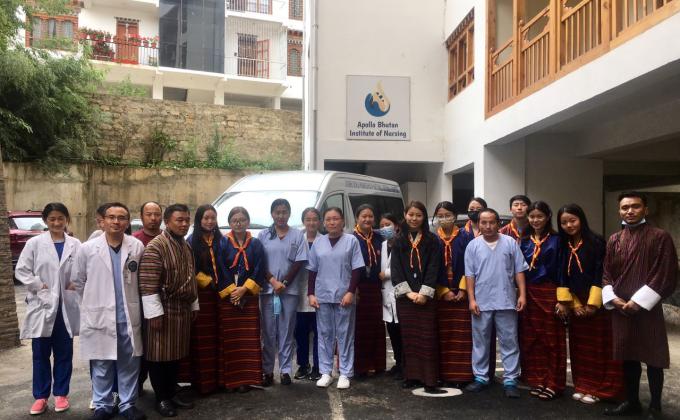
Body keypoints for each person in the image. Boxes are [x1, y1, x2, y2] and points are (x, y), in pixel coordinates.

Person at [602, 192, 678, 419]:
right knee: (628, 356)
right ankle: (632, 402)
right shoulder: (614, 239)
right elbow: (606, 273)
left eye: (635, 206)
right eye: (625, 207)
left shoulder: (660, 237)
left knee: (654, 357)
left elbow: (665, 273)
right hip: (620, 308)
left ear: (646, 209)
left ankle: (655, 407)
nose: (630, 211)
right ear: (619, 211)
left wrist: (638, 301)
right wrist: (613, 299)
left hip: (647, 308)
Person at [72, 203, 146, 420]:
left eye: (121, 217)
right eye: (111, 217)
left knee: (129, 363)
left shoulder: (136, 246)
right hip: (100, 315)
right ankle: (102, 405)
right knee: (101, 363)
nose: (116, 221)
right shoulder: (87, 249)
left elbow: (140, 280)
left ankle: (127, 405)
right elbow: (78, 281)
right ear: (101, 221)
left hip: (128, 315)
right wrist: (94, 302)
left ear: (127, 222)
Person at [15, 203, 81, 416]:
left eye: (60, 218)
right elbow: (22, 270)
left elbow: (83, 269)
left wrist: (76, 283)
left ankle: (61, 394)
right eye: (52, 218)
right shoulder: (34, 243)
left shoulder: (75, 244)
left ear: (66, 219)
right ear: (45, 220)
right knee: (40, 354)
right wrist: (38, 285)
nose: (56, 222)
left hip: (66, 308)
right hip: (42, 306)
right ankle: (41, 396)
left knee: (64, 353)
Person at [555, 204, 623, 404]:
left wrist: (593, 304)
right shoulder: (563, 244)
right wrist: (574, 304)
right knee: (580, 348)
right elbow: (561, 275)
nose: (569, 225)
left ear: (581, 219)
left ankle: (600, 389)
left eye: (572, 220)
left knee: (599, 347)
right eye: (564, 222)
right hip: (575, 302)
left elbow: (601, 273)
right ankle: (583, 385)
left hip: (597, 303)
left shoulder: (596, 242)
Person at [139, 204, 199, 418]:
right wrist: (154, 314)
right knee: (158, 356)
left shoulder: (185, 245)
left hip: (182, 309)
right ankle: (161, 398)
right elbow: (148, 283)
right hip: (162, 310)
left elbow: (191, 279)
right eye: (179, 220)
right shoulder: (156, 246)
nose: (184, 224)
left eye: (187, 220)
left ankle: (171, 393)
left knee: (176, 355)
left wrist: (194, 305)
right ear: (167, 222)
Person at [464, 208, 527, 398]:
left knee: (509, 341)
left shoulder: (510, 243)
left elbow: (519, 271)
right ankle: (481, 377)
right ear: (478, 223)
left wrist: (522, 295)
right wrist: (471, 299)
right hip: (481, 302)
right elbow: (469, 275)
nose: (488, 226)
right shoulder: (473, 246)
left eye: (492, 222)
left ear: (498, 223)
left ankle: (510, 379)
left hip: (506, 300)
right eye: (483, 222)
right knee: (480, 342)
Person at [307, 207, 365, 389]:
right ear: (324, 223)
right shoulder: (318, 243)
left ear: (343, 221)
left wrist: (350, 291)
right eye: (328, 219)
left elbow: (357, 269)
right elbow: (312, 270)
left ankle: (345, 373)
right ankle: (326, 372)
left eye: (336, 219)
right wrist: (310, 293)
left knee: (345, 335)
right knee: (324, 334)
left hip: (344, 295)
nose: (332, 222)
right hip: (322, 294)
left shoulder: (351, 241)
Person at [391, 201, 445, 395]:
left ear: (424, 217)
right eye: (411, 214)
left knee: (427, 337)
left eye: (418, 215)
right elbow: (396, 269)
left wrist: (423, 293)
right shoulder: (398, 241)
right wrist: (408, 293)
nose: (414, 218)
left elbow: (434, 268)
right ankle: (411, 376)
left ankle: (429, 380)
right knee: (409, 337)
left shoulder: (432, 240)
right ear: (405, 215)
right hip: (406, 300)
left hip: (426, 298)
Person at [518, 201, 566, 401]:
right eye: (532, 216)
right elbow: (519, 270)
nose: (535, 220)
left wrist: (562, 299)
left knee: (552, 340)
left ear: (548, 217)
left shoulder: (557, 240)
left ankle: (554, 383)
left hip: (549, 293)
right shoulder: (524, 241)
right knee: (532, 339)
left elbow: (563, 270)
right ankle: (537, 379)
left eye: (539, 216)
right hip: (529, 293)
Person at [258, 199, 308, 386]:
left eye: (284, 212)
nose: (281, 216)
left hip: (289, 291)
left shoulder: (297, 235)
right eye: (277, 212)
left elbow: (299, 261)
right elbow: (259, 262)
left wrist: (284, 283)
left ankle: (286, 370)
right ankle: (267, 371)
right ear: (272, 214)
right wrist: (272, 281)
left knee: (287, 331)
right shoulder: (264, 235)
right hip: (268, 290)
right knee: (268, 332)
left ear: (289, 213)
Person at [218, 207, 266, 393]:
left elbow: (260, 268)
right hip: (229, 297)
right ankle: (230, 381)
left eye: (242, 220)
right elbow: (220, 268)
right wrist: (233, 291)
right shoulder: (223, 242)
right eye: (234, 220)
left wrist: (245, 289)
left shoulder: (256, 244)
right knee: (231, 340)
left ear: (248, 222)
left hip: (249, 297)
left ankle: (247, 379)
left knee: (248, 340)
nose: (238, 223)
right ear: (229, 223)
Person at [178, 205, 225, 395]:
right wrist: (209, 282)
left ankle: (220, 380)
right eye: (206, 218)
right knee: (202, 339)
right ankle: (203, 383)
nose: (210, 221)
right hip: (202, 295)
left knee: (219, 337)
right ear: (199, 220)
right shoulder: (191, 241)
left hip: (221, 294)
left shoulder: (222, 240)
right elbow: (191, 268)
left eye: (213, 218)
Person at [433, 201, 473, 387]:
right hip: (442, 294)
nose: (444, 219)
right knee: (443, 335)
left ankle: (461, 376)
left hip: (463, 293)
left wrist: (463, 289)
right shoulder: (433, 239)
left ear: (455, 216)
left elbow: (471, 264)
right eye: (440, 216)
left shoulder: (466, 236)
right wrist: (443, 291)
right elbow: (430, 268)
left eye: (447, 215)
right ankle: (443, 374)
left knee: (462, 336)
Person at [131, 201, 163, 396]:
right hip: (137, 300)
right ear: (141, 217)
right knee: (140, 343)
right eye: (149, 214)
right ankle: (137, 382)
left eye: (157, 214)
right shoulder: (134, 241)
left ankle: (164, 387)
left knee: (159, 345)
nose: (153, 218)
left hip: (162, 301)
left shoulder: (167, 238)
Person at [352, 204, 386, 377]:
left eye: (370, 216)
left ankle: (377, 365)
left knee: (376, 327)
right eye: (363, 216)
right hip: (359, 289)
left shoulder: (380, 237)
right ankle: (360, 367)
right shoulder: (351, 238)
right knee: (359, 329)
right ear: (357, 218)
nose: (367, 219)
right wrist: (353, 288)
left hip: (376, 288)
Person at [294, 208, 322, 381]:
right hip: (299, 293)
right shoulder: (298, 240)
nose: (311, 223)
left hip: (320, 294)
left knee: (320, 332)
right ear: (303, 221)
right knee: (300, 332)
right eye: (308, 219)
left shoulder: (324, 240)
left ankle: (318, 366)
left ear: (319, 221)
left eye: (315, 219)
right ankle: (303, 365)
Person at [378, 213, 403, 380]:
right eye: (381, 226)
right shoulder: (383, 244)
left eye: (388, 224)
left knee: (402, 331)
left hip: (400, 292)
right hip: (387, 294)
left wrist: (386, 273)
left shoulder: (403, 242)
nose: (384, 228)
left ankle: (405, 365)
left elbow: (403, 267)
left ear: (396, 226)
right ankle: (398, 363)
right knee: (392, 331)